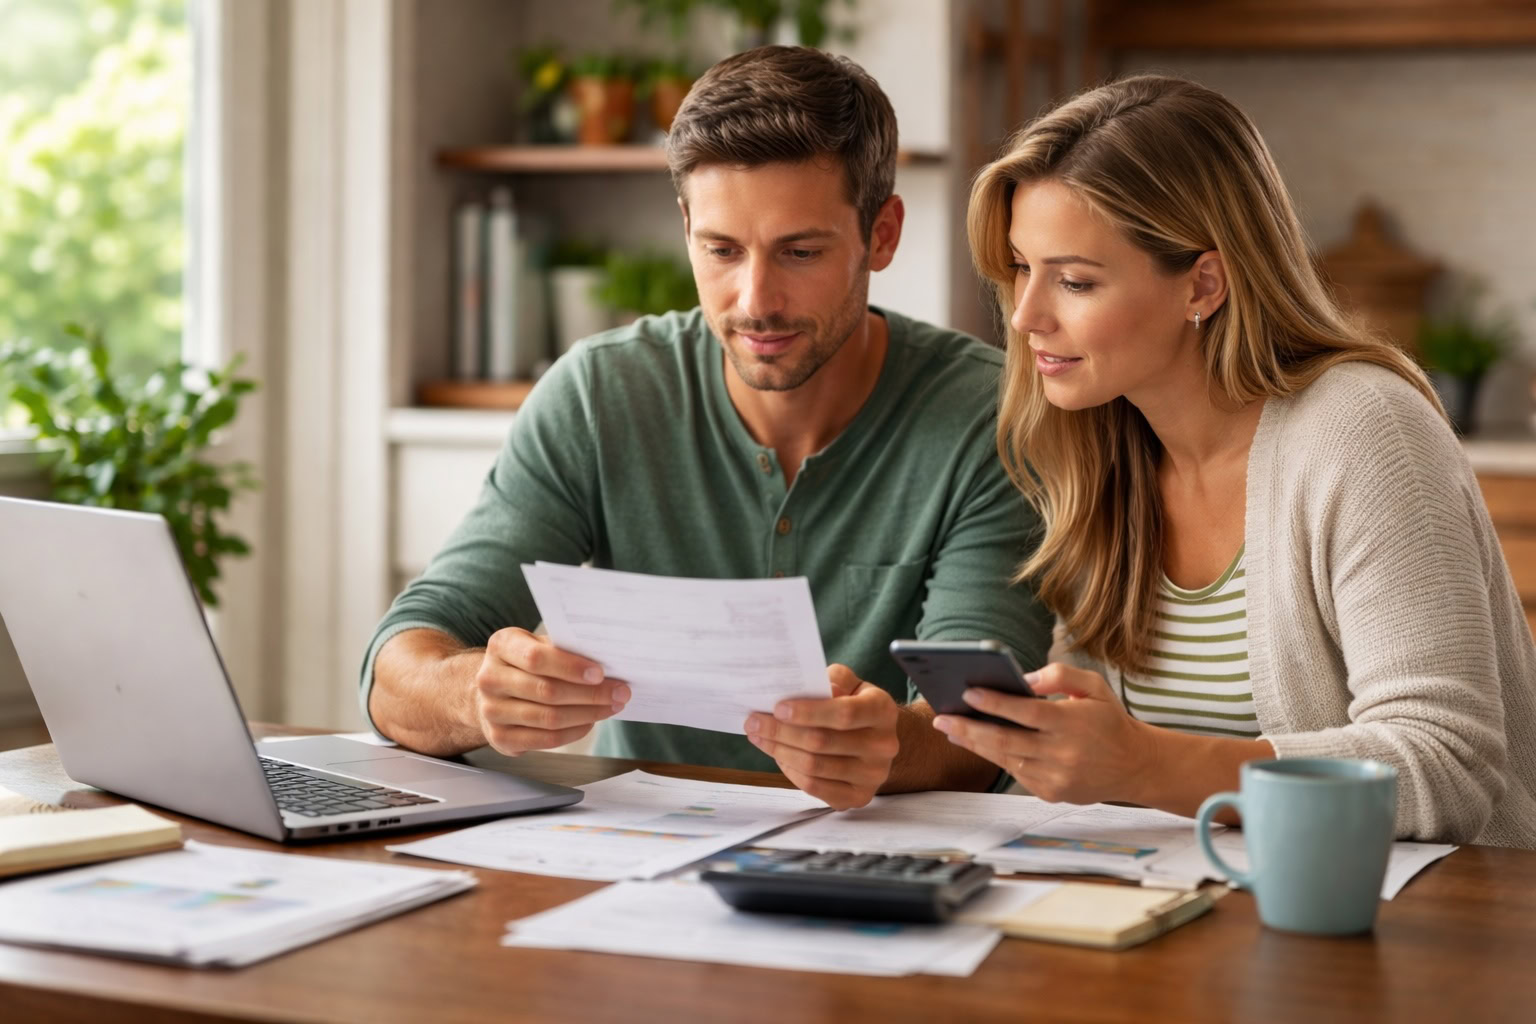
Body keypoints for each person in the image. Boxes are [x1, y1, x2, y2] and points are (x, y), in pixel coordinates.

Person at [361, 46, 1053, 810]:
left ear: (881, 234)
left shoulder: (988, 416)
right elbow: (398, 667)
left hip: (884, 863)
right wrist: (475, 694)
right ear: (685, 225)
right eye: (721, 250)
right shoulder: (600, 394)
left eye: (800, 252)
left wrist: (890, 746)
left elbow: (985, 724)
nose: (755, 300)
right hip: (631, 852)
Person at [937, 74, 1536, 847]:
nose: (1025, 317)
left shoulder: (1362, 429)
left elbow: (1447, 767)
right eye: (1022, 268)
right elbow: (1106, 783)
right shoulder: (1099, 447)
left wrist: (1145, 765)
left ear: (1204, 283)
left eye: (1076, 280)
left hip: (1427, 926)